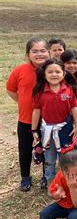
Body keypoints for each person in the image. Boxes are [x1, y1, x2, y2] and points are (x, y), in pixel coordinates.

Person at [6, 38, 49, 191]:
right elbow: (11, 89)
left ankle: (47, 175)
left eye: (43, 50)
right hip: (26, 119)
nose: (39, 54)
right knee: (24, 148)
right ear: (28, 54)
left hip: (48, 120)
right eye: (35, 51)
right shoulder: (20, 70)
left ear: (48, 52)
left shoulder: (53, 69)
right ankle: (25, 177)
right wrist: (23, 102)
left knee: (47, 148)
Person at [31, 59, 77, 184]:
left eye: (57, 71)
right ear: (44, 74)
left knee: (66, 156)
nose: (54, 74)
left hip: (65, 128)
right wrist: (34, 130)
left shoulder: (69, 90)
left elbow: (74, 107)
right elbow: (36, 111)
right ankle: (50, 182)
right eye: (50, 72)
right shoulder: (40, 92)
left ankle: (68, 181)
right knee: (49, 157)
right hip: (47, 129)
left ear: (63, 73)